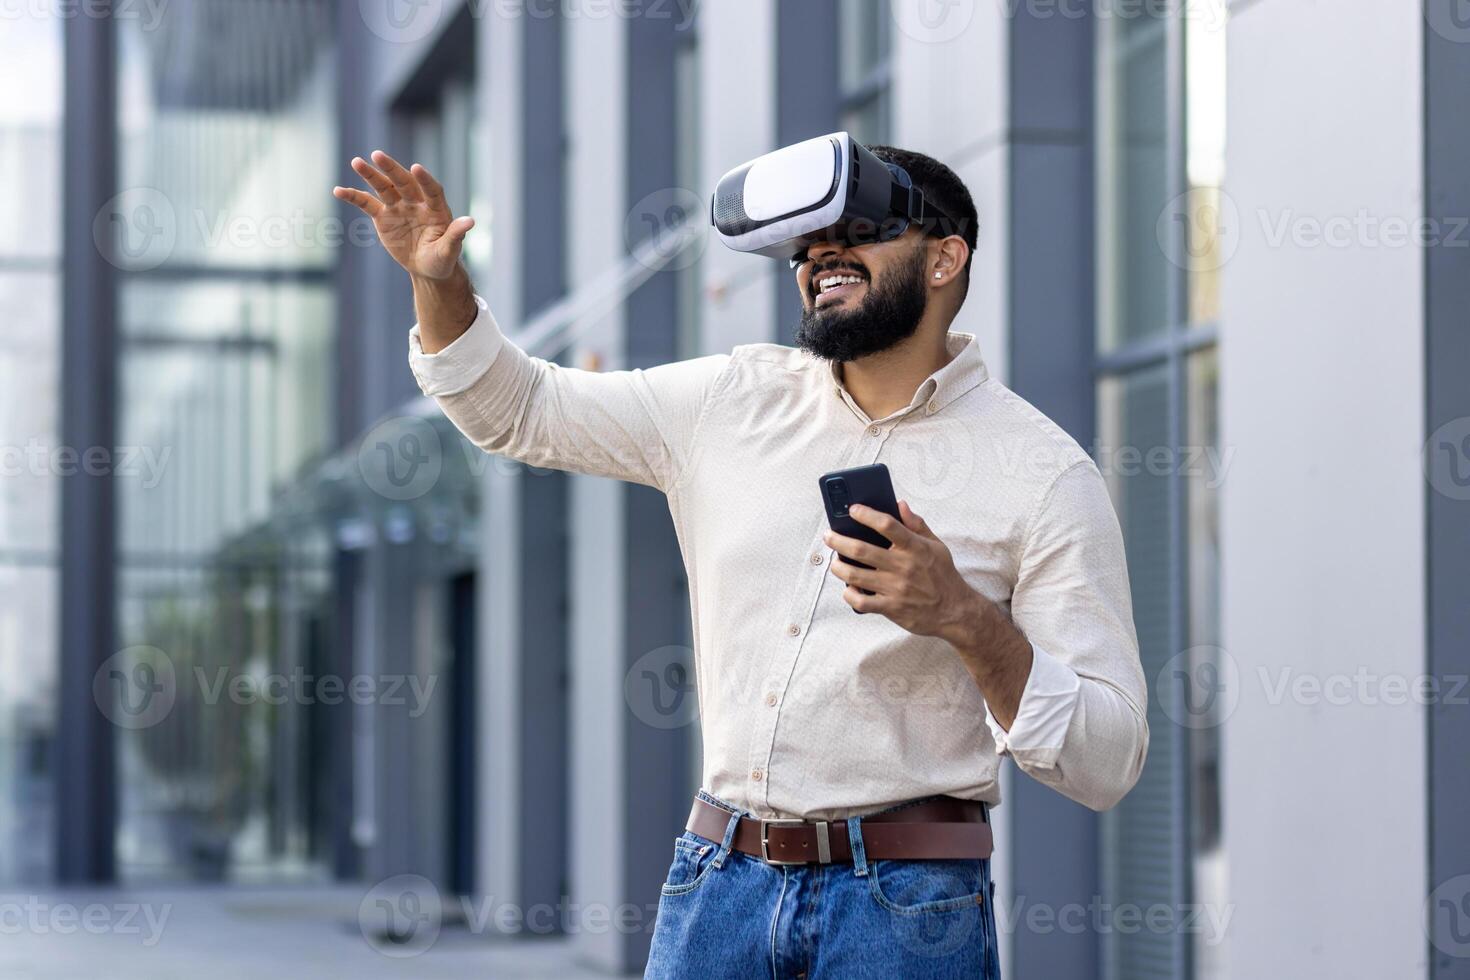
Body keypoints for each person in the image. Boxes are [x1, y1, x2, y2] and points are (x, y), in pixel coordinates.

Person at [334, 144, 1148, 979]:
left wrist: (965, 619)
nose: (821, 258)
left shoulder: (1042, 474)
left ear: (945, 258)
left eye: (858, 232)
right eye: (805, 247)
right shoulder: (730, 400)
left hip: (909, 909)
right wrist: (438, 281)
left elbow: (1107, 758)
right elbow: (517, 407)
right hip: (716, 885)